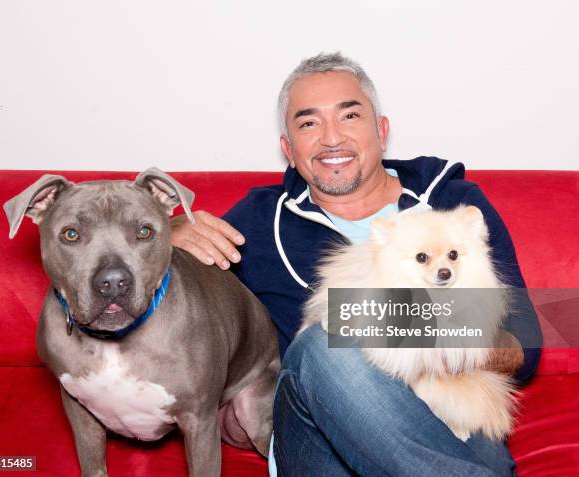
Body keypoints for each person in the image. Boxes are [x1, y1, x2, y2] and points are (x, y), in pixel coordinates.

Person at [170, 52, 542, 476]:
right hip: (319, 444)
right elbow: (170, 312)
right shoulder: (255, 222)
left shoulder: (452, 205)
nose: (331, 138)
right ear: (288, 150)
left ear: (382, 132)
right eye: (309, 123)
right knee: (322, 343)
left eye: (349, 116)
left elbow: (524, 347)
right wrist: (166, 239)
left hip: (454, 422)